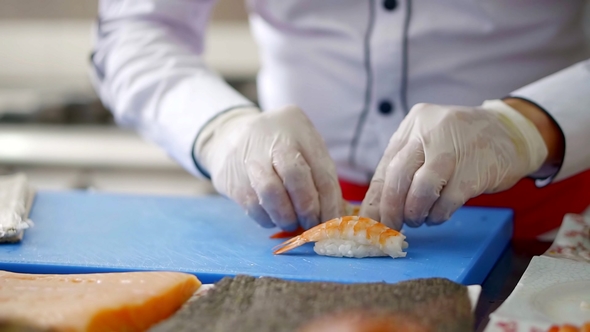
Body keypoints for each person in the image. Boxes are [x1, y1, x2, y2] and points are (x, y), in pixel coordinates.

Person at [90, 1, 590, 240]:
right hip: (284, 222)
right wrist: (221, 131)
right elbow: (137, 29)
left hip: (555, 220)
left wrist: (524, 128)